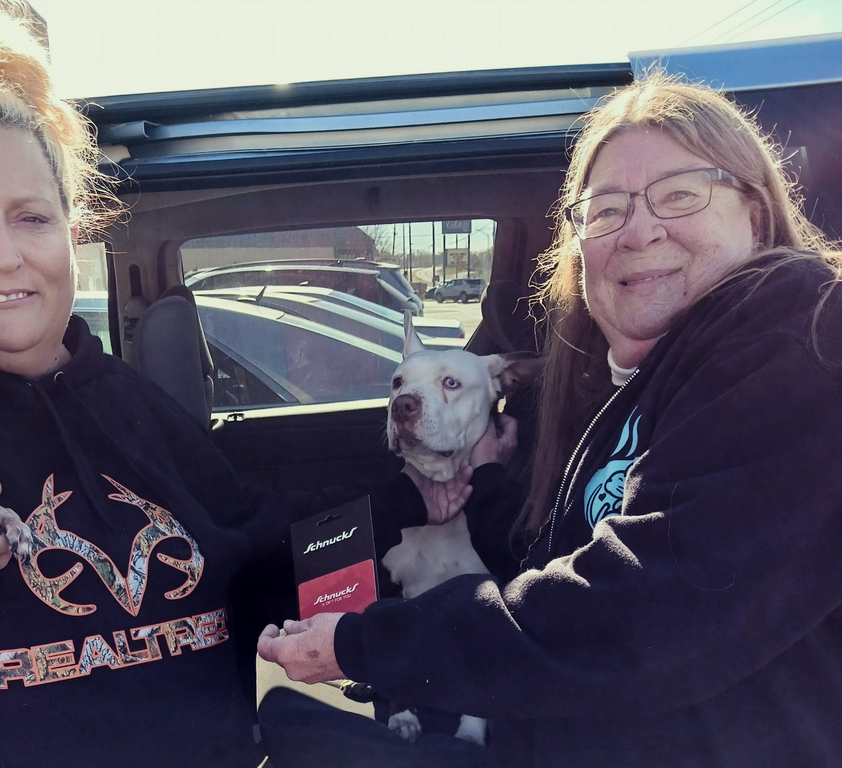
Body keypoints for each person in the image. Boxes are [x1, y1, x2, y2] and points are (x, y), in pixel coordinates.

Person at [0, 1, 486, 766]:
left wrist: (417, 497)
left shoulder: (130, 402)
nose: (3, 255)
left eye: (31, 218)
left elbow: (253, 539)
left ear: (71, 229)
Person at [257, 74, 842, 767]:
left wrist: (359, 645)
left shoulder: (801, 344)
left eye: (681, 194)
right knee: (282, 721)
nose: (640, 231)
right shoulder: (635, 389)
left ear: (756, 216)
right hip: (551, 733)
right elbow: (560, 569)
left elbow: (639, 612)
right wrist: (489, 486)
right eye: (607, 210)